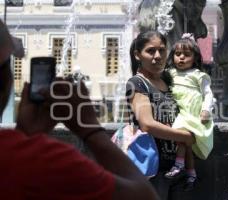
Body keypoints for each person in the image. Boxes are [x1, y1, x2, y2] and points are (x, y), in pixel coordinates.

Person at [0, 19, 159, 200]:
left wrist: (25, 135)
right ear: (7, 80)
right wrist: (90, 128)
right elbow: (144, 195)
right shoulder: (47, 160)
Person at [126, 31, 195, 199]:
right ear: (137, 55)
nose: (157, 56)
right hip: (152, 170)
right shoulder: (137, 83)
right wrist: (185, 136)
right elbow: (147, 124)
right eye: (150, 51)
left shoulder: (169, 80)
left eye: (162, 50)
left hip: (178, 167)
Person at [163, 33, 214, 191]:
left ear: (195, 58)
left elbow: (208, 94)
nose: (181, 58)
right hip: (179, 110)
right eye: (178, 54)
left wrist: (206, 109)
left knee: (183, 135)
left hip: (192, 112)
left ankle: (179, 164)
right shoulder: (169, 73)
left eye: (187, 55)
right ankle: (191, 172)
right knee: (186, 142)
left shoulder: (198, 75)